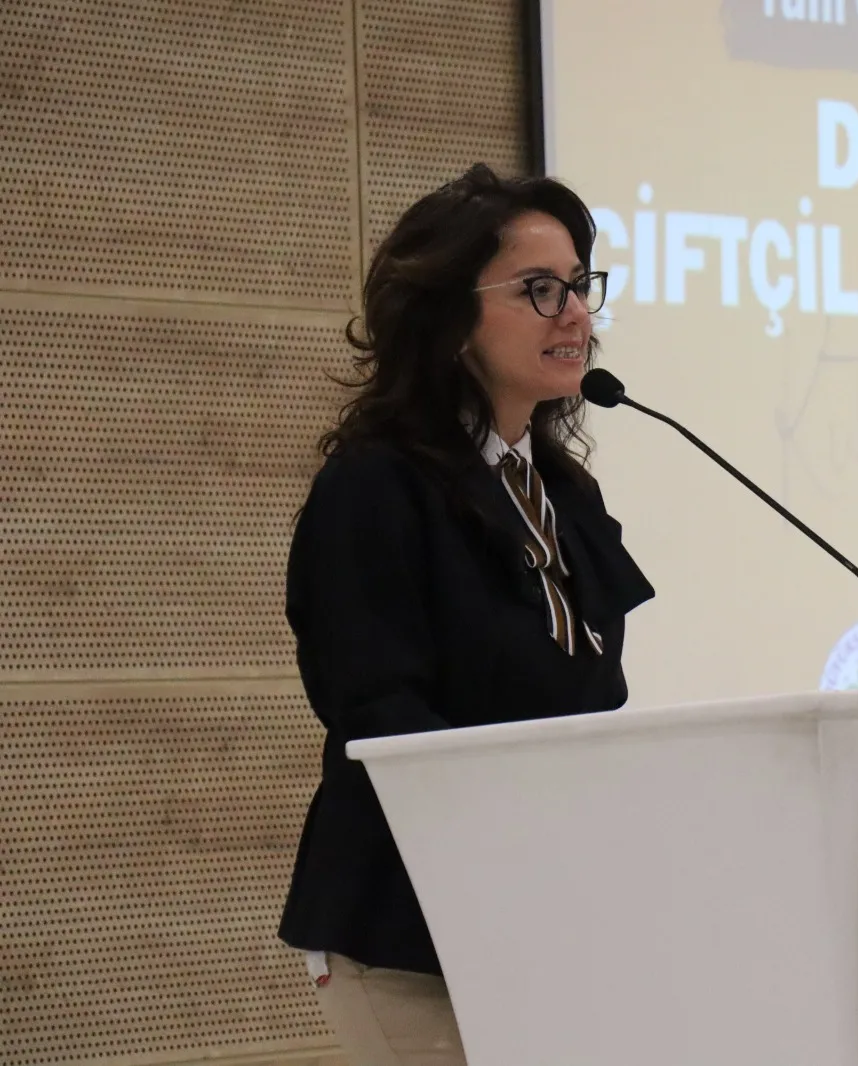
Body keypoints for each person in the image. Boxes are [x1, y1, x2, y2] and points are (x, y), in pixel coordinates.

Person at [277, 163, 655, 1065]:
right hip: (410, 932)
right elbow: (380, 713)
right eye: (539, 290)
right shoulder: (374, 488)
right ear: (449, 318)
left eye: (580, 286)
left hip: (547, 920)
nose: (576, 314)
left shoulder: (562, 493)